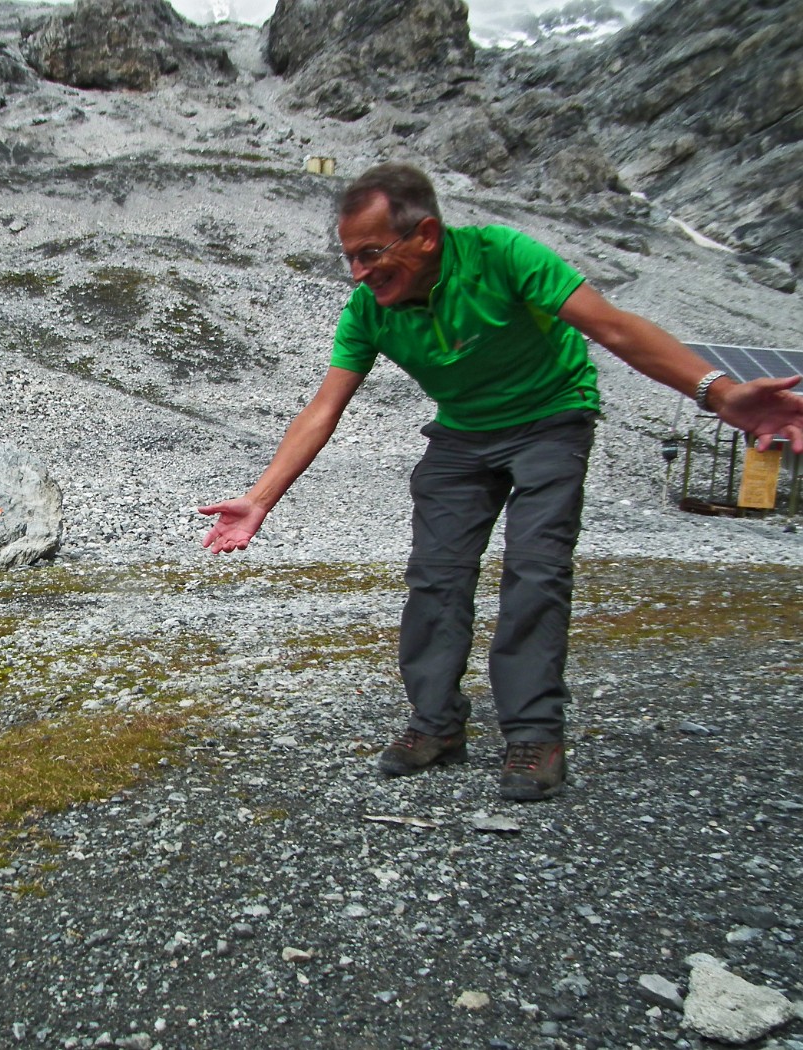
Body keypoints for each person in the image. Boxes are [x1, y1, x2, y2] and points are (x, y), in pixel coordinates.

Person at [199, 161, 803, 801]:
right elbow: (325, 407)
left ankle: (534, 734)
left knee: (535, 570)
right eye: (349, 257)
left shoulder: (503, 255)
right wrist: (260, 499)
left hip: (552, 418)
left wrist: (721, 393)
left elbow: (615, 327)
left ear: (426, 234)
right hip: (462, 434)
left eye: (371, 253)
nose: (358, 272)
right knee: (436, 576)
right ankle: (436, 726)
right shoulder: (369, 311)